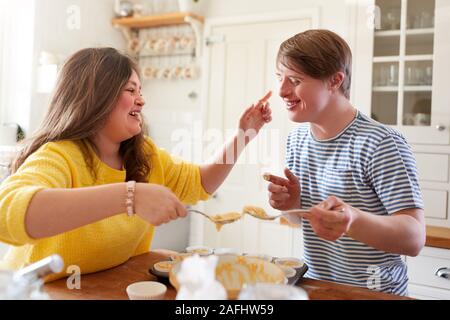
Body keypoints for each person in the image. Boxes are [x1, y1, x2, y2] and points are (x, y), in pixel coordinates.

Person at [0, 47, 272, 281]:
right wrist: (130, 196)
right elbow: (6, 214)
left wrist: (244, 134)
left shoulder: (146, 155)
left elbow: (200, 183)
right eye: (131, 90)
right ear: (96, 97)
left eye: (140, 90)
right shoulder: (60, 156)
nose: (142, 100)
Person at [265, 29, 424, 296]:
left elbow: (414, 238)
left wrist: (352, 220)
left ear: (335, 80)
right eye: (280, 78)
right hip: (318, 286)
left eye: (294, 79)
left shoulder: (380, 142)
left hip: (373, 292)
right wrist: (291, 204)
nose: (281, 90)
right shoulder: (297, 139)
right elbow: (298, 221)